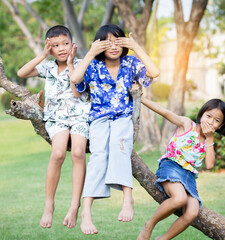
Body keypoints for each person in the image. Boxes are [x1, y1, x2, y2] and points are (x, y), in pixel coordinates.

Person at [70, 24, 160, 235]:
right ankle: (86, 212)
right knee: (99, 156)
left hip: (122, 118)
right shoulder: (93, 65)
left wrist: (136, 46)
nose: (113, 45)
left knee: (120, 148)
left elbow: (154, 72)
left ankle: (128, 198)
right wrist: (91, 52)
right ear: (99, 44)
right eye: (107, 41)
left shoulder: (130, 63)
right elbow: (75, 80)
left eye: (117, 40)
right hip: (99, 120)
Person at [17, 25, 90, 229]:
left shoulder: (81, 64)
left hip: (79, 116)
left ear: (72, 44)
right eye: (55, 45)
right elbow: (21, 73)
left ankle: (74, 206)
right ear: (49, 47)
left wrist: (70, 64)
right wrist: (42, 55)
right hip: (56, 118)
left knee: (78, 153)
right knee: (57, 153)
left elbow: (77, 93)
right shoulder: (47, 67)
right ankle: (49, 205)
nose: (61, 48)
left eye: (65, 44)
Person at [137, 98, 225, 240]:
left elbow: (210, 165)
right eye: (209, 116)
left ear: (220, 125)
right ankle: (149, 225)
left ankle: (163, 239)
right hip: (171, 166)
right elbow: (163, 111)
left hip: (188, 176)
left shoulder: (208, 141)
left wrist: (210, 138)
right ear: (202, 114)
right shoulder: (187, 124)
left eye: (217, 120)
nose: (211, 122)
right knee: (179, 199)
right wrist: (140, 97)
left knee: (192, 212)